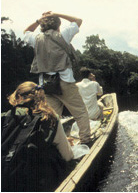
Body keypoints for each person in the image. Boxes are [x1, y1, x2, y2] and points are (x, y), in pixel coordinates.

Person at [23, 11, 92, 144]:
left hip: (46, 85)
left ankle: (53, 144)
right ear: (58, 25)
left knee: (51, 117)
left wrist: (40, 20)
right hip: (65, 81)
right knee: (80, 112)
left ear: (42, 26)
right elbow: (78, 20)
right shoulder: (63, 35)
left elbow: (26, 31)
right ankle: (86, 141)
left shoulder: (36, 38)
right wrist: (56, 14)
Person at [8, 81, 74, 161]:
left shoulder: (7, 116)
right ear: (41, 96)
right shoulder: (49, 117)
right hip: (36, 170)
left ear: (18, 96)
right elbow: (67, 156)